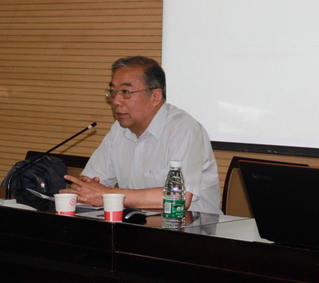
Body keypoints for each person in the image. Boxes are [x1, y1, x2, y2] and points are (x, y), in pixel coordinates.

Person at [61, 56, 221, 214]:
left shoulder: (183, 129)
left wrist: (107, 195)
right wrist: (84, 191)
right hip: (138, 223)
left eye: (125, 92)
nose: (116, 101)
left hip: (192, 226)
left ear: (155, 96)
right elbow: (86, 186)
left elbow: (178, 198)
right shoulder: (119, 130)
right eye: (113, 92)